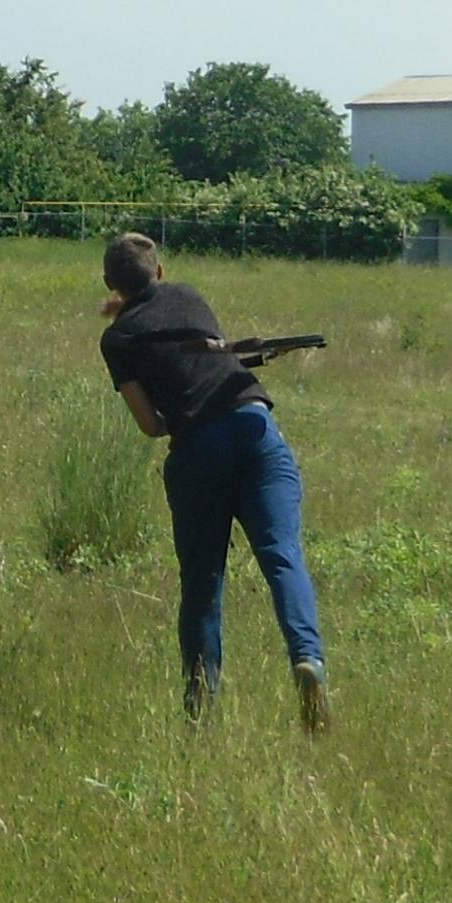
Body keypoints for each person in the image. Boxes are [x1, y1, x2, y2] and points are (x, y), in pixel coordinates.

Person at [97, 232, 331, 731]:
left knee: (203, 583)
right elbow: (185, 337)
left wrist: (123, 327)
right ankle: (307, 657)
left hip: (199, 448)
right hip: (254, 427)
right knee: (282, 553)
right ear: (159, 271)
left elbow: (150, 425)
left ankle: (201, 712)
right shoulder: (190, 295)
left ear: (108, 284)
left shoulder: (117, 340)